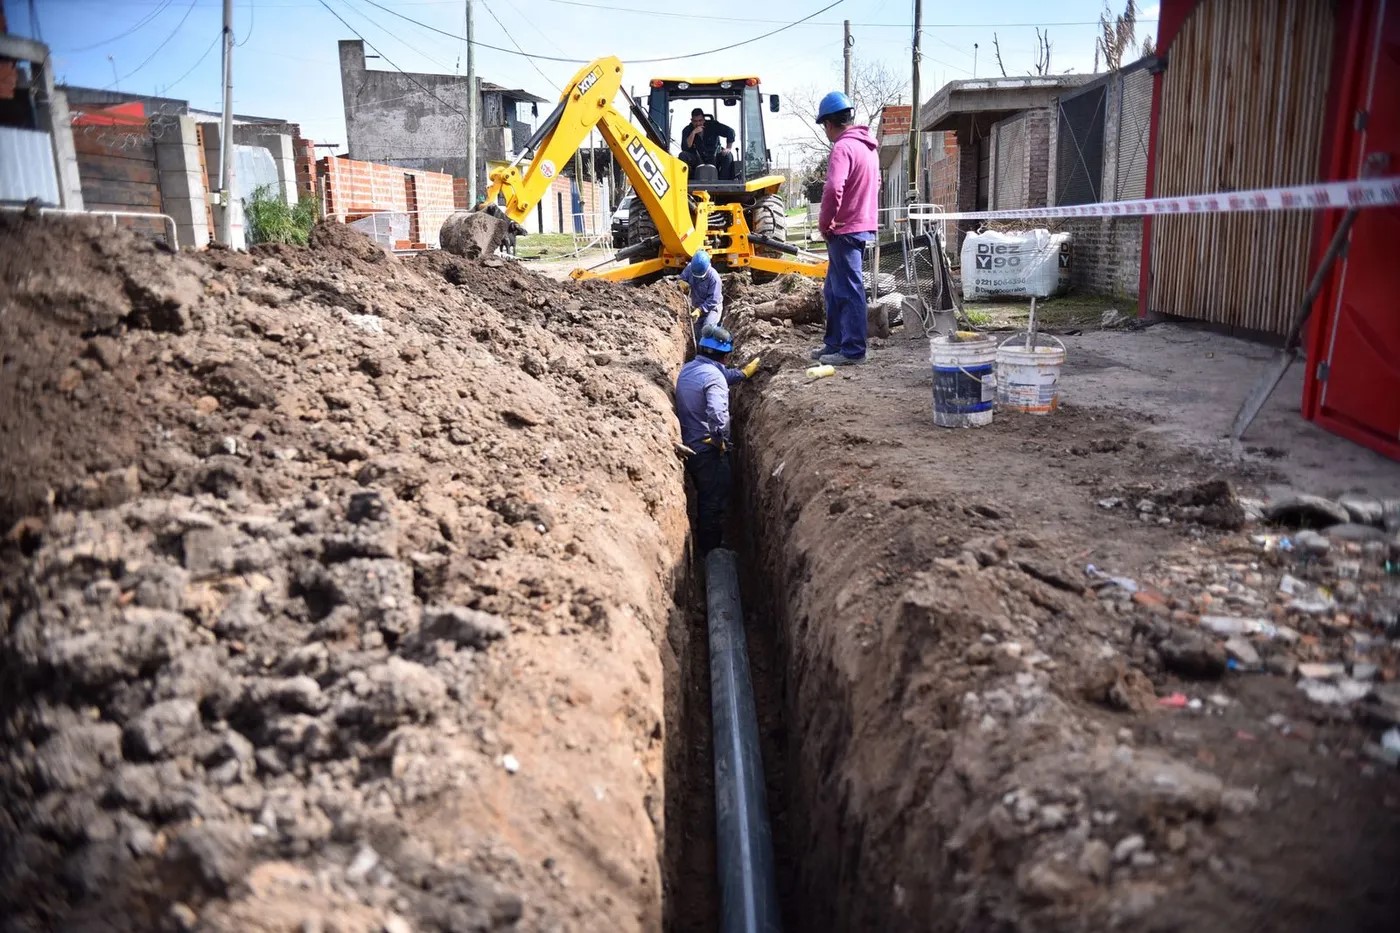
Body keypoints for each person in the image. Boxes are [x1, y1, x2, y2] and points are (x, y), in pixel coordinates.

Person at [674, 325, 760, 554]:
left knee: (708, 496)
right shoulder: (715, 378)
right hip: (707, 450)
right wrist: (719, 439)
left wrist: (741, 374)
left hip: (690, 443)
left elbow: (719, 375)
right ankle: (711, 550)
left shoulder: (690, 368)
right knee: (714, 500)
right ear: (724, 354)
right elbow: (717, 412)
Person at [813, 91, 879, 366]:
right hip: (860, 224)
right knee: (833, 288)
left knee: (849, 289)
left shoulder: (843, 148)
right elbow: (876, 186)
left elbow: (833, 187)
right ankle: (834, 343)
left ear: (829, 123)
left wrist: (825, 222)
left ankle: (852, 350)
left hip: (845, 229)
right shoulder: (868, 148)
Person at [679, 250, 723, 343]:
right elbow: (682, 278)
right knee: (696, 333)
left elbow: (713, 300)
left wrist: (700, 310)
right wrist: (682, 283)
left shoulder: (714, 279)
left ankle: (709, 352)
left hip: (712, 308)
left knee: (706, 330)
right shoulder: (690, 268)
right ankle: (698, 351)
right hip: (696, 306)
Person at [678, 107, 736, 178]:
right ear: (692, 121)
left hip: (714, 157)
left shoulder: (713, 125)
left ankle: (724, 182)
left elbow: (730, 132)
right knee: (682, 155)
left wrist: (728, 148)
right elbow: (685, 147)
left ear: (704, 120)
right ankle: (687, 182)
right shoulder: (687, 130)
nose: (698, 123)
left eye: (700, 120)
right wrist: (693, 133)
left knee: (728, 155)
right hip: (696, 159)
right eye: (695, 121)